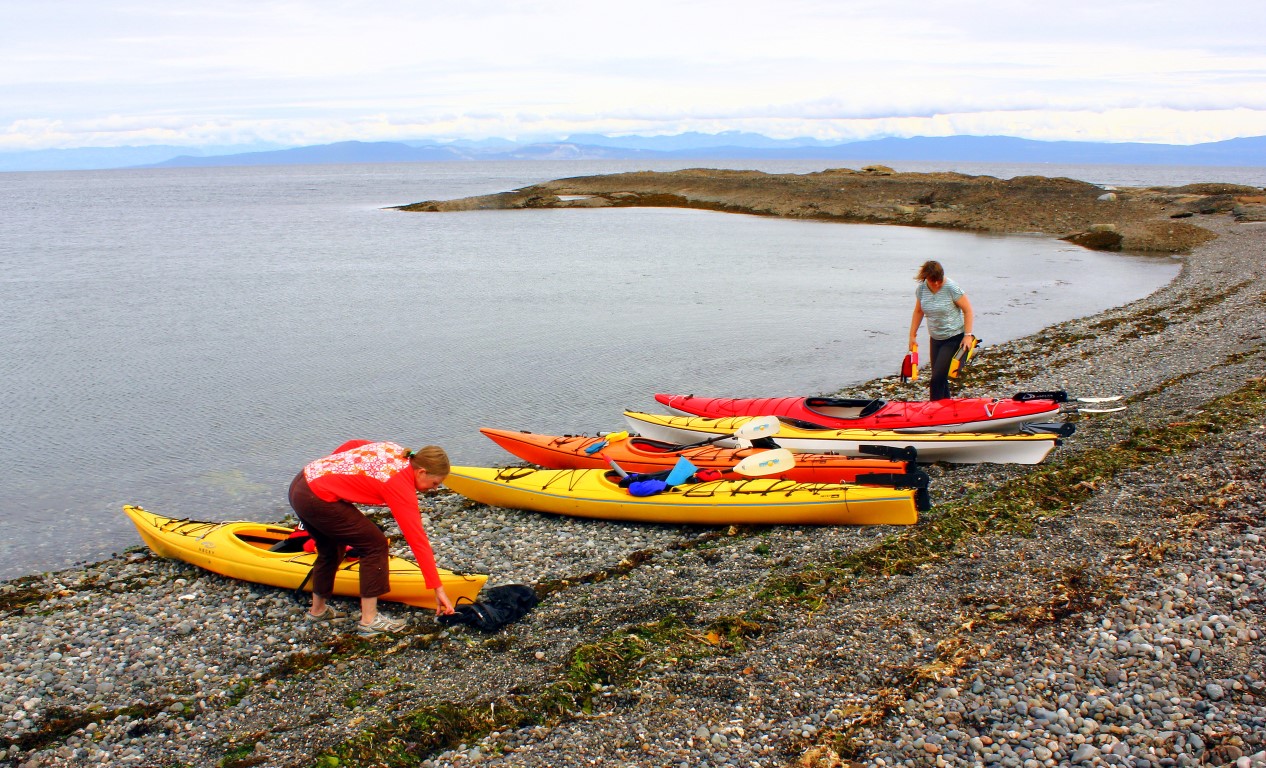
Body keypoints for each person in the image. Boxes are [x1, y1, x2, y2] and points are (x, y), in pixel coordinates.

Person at [288, 440, 456, 636]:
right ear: (421, 472)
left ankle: (317, 611)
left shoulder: (396, 450)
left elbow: (353, 445)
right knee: (375, 545)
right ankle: (369, 620)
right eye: (435, 483)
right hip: (316, 498)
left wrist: (332, 467)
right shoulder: (399, 484)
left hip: (302, 483)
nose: (434, 489)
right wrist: (438, 588)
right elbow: (417, 539)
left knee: (330, 548)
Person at [908, 260, 975, 401]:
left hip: (954, 337)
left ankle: (934, 411)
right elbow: (919, 311)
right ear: (925, 278)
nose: (937, 284)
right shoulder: (921, 290)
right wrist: (912, 335)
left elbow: (968, 311)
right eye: (933, 281)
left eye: (939, 280)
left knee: (936, 379)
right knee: (940, 377)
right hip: (935, 339)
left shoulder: (951, 288)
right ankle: (946, 409)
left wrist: (968, 335)